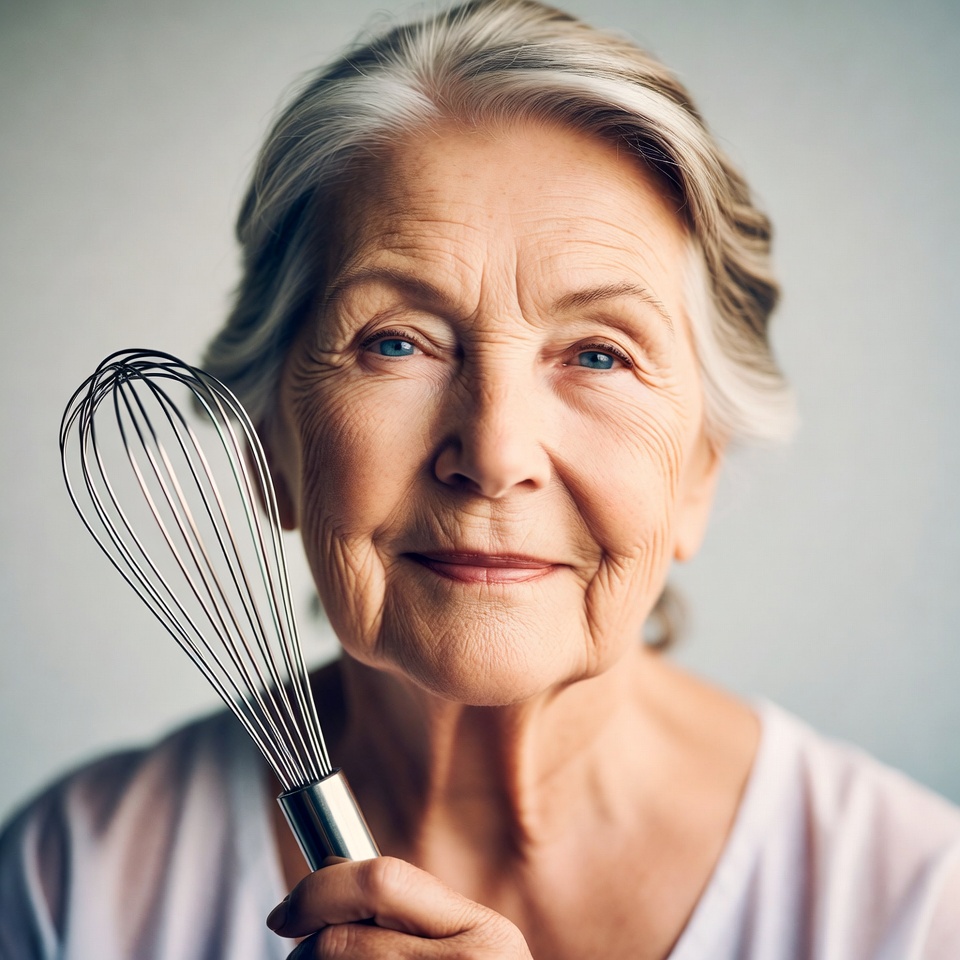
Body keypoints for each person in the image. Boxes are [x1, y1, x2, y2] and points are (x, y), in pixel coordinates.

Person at [2, 1, 958, 957]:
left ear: (698, 472)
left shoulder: (911, 905)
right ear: (270, 445)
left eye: (598, 355)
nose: (495, 454)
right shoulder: (74, 882)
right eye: (396, 342)